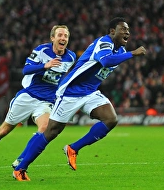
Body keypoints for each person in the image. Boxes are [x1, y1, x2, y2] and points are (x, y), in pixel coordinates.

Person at [13, 17, 147, 181]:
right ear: (112, 31)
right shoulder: (104, 42)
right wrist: (132, 53)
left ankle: (73, 149)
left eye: (128, 29)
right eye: (123, 29)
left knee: (111, 119)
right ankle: (20, 168)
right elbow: (105, 61)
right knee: (51, 132)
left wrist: (127, 54)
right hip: (70, 91)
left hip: (90, 92)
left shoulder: (120, 52)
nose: (127, 32)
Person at [0, 25, 76, 172]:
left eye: (66, 36)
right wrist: (45, 65)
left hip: (46, 101)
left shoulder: (71, 57)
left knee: (45, 129)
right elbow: (26, 69)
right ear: (53, 38)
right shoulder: (41, 51)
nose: (63, 38)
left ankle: (21, 159)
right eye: (60, 35)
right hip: (28, 97)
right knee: (3, 131)